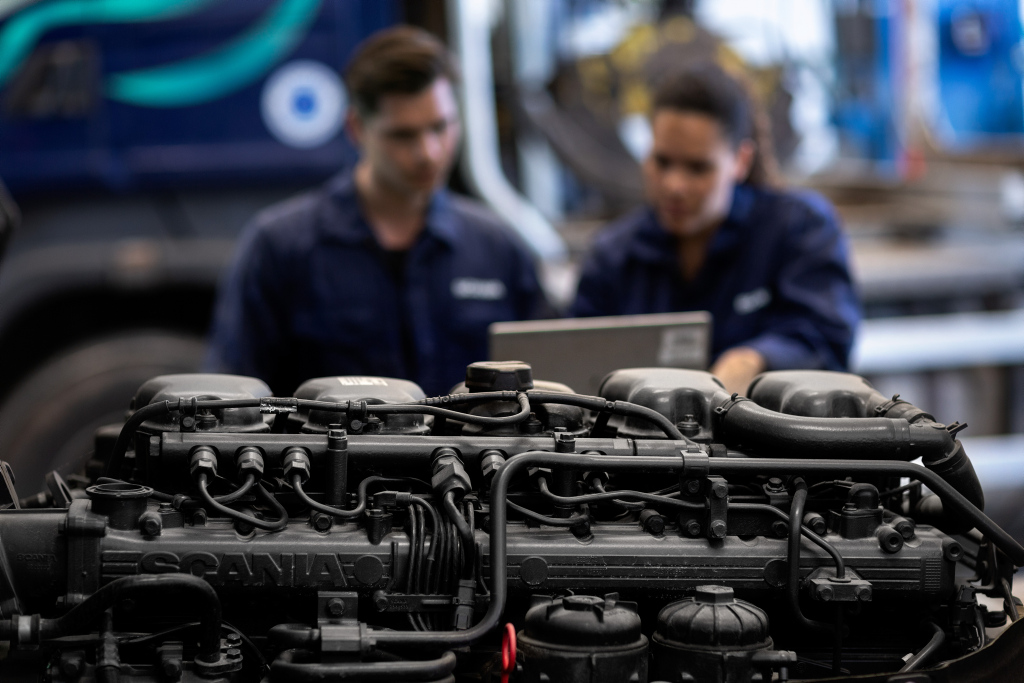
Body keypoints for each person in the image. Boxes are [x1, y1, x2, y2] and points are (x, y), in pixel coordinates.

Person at [205, 26, 544, 397]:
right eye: (403, 135)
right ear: (356, 128)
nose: (429, 152)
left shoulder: (497, 248)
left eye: (440, 127)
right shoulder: (281, 248)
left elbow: (549, 387)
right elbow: (236, 398)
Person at [572, 63, 860, 395]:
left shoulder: (798, 230)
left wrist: (753, 361)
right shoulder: (612, 256)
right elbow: (576, 357)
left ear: (740, 161)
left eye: (697, 168)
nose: (674, 185)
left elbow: (826, 339)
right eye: (662, 162)